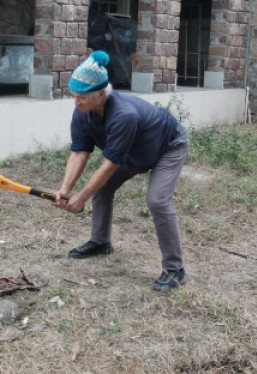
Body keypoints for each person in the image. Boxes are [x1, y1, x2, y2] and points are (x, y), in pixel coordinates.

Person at [52, 50, 189, 291]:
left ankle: (175, 269)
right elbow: (79, 153)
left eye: (81, 97)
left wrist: (80, 199)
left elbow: (110, 164)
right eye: (73, 96)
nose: (76, 102)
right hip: (134, 151)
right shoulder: (83, 112)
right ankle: (101, 241)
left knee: (157, 201)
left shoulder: (123, 115)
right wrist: (65, 190)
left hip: (168, 146)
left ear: (101, 94)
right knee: (102, 191)